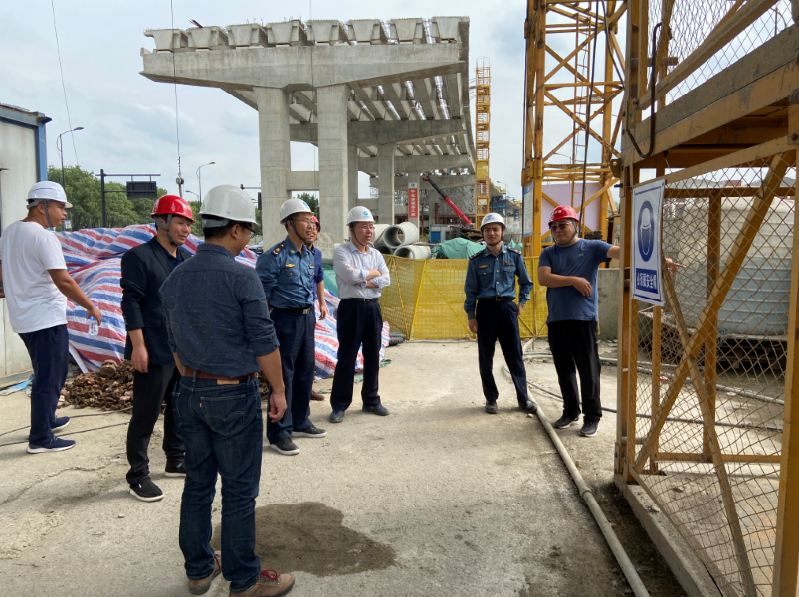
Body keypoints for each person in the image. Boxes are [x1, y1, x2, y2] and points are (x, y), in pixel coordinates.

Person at [160, 185, 294, 597]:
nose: (249, 238)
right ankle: (245, 580)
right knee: (239, 490)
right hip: (232, 396)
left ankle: (200, 570)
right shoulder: (242, 276)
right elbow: (264, 341)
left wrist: (195, 377)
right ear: (235, 229)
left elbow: (175, 345)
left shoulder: (176, 276)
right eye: (249, 230)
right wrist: (279, 390)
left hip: (188, 392)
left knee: (197, 484)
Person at [0, 181, 102, 454]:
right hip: (46, 319)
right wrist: (90, 306)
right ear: (41, 207)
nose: (64, 213)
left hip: (24, 318)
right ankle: (41, 438)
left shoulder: (10, 232)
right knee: (50, 376)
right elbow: (63, 281)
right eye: (60, 207)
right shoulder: (44, 238)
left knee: (49, 372)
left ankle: (47, 420)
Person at [120, 195, 194, 502]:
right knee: (146, 413)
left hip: (179, 350)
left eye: (189, 224)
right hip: (152, 349)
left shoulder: (186, 259)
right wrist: (138, 347)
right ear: (161, 221)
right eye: (180, 222)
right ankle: (137, 475)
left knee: (179, 407)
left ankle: (175, 459)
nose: (186, 229)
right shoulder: (138, 257)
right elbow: (131, 303)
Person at [256, 198, 327, 456]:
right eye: (304, 220)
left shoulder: (309, 255)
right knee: (283, 375)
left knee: (305, 370)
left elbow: (312, 284)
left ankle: (300, 420)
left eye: (311, 220)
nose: (310, 225)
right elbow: (262, 299)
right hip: (284, 319)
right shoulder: (273, 257)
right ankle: (279, 433)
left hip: (306, 318)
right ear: (289, 223)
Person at [464, 213, 538, 415]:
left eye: (495, 229)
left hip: (507, 309)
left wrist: (521, 302)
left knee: (515, 356)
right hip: (485, 310)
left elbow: (526, 282)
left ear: (503, 231)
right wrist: (471, 315)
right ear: (482, 234)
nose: (492, 233)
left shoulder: (514, 256)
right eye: (487, 230)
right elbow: (470, 291)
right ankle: (491, 399)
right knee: (485, 358)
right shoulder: (476, 261)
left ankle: (523, 399)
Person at [329, 207, 390, 424]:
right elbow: (350, 276)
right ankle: (339, 404)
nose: (369, 231)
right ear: (351, 229)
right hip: (351, 308)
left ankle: (371, 400)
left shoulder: (376, 254)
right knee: (347, 356)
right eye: (364, 227)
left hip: (373, 308)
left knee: (373, 355)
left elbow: (386, 279)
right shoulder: (342, 252)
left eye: (371, 227)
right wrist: (372, 276)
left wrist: (362, 280)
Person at [307, 215, 327, 402]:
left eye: (315, 227)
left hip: (308, 309)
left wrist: (322, 302)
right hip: (287, 311)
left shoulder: (317, 255)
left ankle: (307, 389)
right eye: (308, 226)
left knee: (308, 351)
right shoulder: (283, 254)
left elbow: (319, 278)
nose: (311, 230)